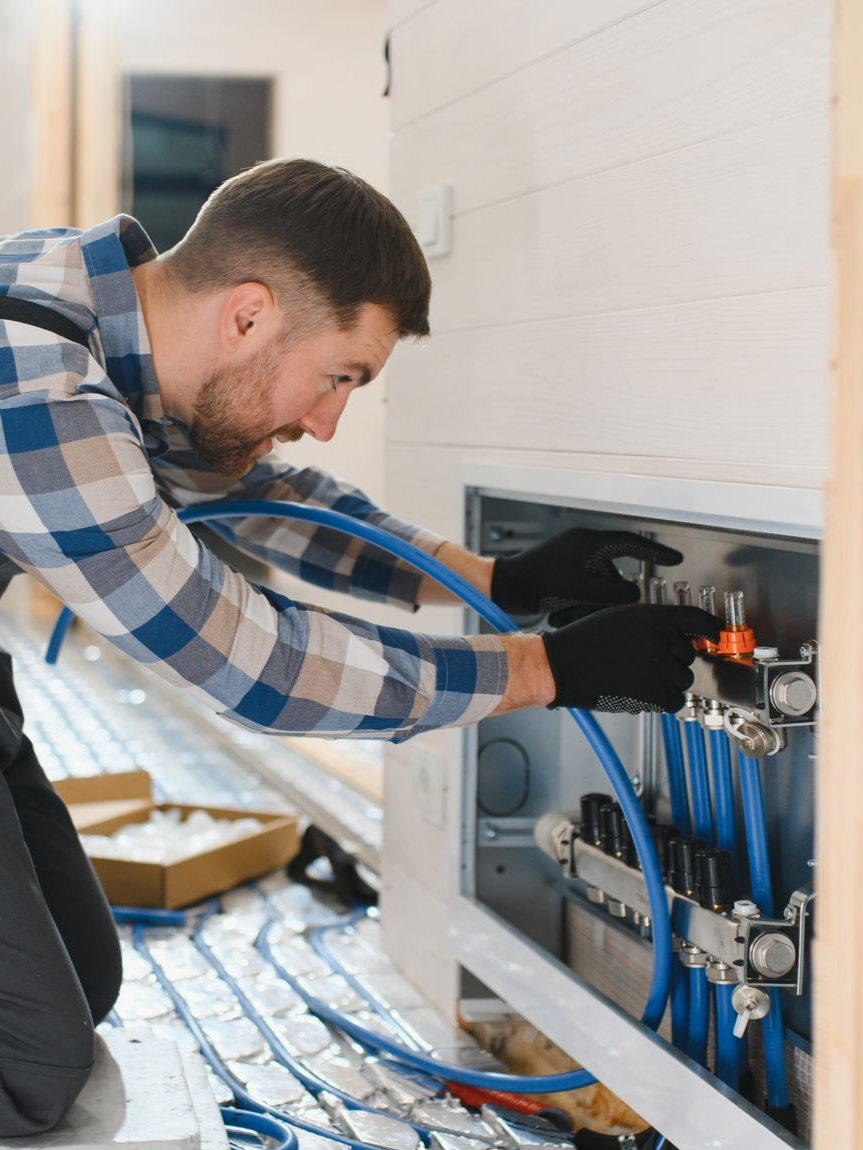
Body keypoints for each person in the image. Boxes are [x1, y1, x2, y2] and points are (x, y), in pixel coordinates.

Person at [0, 158, 719, 1134]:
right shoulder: (37, 388)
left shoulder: (102, 310)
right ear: (247, 316)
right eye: (337, 377)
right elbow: (244, 660)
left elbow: (257, 497)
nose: (326, 423)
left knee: (85, 982)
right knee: (33, 1063)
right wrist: (546, 670)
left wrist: (494, 581)